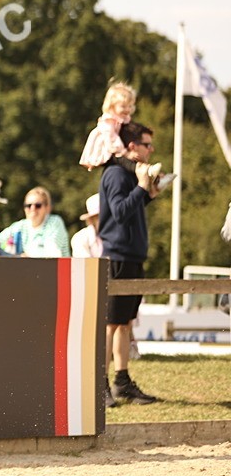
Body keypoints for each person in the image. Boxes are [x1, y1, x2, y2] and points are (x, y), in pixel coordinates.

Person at [99, 121, 160, 405]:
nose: (151, 149)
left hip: (132, 256)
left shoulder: (129, 175)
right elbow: (119, 214)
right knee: (111, 324)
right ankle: (99, 384)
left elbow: (128, 210)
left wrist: (147, 195)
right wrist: (141, 188)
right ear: (133, 146)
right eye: (147, 144)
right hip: (118, 257)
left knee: (124, 323)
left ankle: (122, 382)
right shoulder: (114, 174)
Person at [0, 187, 71, 257]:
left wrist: (21, 256)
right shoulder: (20, 226)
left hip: (58, 268)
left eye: (38, 205)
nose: (32, 209)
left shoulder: (54, 222)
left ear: (47, 207)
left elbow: (52, 253)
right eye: (28, 205)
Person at [80, 82, 137, 170]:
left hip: (115, 147)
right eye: (123, 106)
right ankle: (138, 170)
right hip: (107, 148)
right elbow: (112, 139)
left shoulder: (123, 118)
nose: (127, 110)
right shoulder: (108, 121)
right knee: (122, 160)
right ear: (112, 106)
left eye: (129, 106)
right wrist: (125, 153)